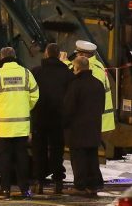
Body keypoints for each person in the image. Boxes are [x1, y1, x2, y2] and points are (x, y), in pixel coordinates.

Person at [0, 47, 39, 199]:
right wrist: (25, 108)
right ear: (15, 57)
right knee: (22, 157)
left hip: (3, 127)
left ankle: (5, 189)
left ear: (2, 58)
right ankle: (24, 189)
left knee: (4, 158)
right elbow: (35, 95)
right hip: (21, 126)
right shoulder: (26, 73)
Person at [30, 43, 74, 194]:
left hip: (39, 118)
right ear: (58, 55)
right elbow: (71, 97)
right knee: (57, 151)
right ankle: (58, 182)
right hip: (59, 118)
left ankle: (39, 182)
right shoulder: (67, 74)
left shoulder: (36, 72)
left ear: (46, 54)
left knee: (38, 151)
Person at [63, 56, 105, 197]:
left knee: (78, 158)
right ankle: (94, 185)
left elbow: (68, 108)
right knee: (92, 157)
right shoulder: (98, 84)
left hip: (78, 129)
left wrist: (65, 124)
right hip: (94, 127)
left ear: (77, 68)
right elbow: (102, 107)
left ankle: (80, 186)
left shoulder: (75, 85)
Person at [69, 40, 115, 134]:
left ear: (83, 55)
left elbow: (90, 95)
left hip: (96, 120)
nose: (76, 57)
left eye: (77, 54)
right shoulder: (96, 65)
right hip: (94, 119)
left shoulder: (94, 69)